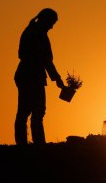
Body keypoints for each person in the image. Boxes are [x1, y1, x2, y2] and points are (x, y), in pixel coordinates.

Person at [14, 8, 65, 145]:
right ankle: (34, 145)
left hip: (30, 75)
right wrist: (57, 78)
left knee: (33, 112)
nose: (52, 26)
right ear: (45, 20)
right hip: (29, 75)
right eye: (51, 22)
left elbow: (45, 60)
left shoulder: (34, 31)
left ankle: (32, 144)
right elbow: (45, 59)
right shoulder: (35, 33)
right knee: (30, 112)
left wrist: (56, 78)